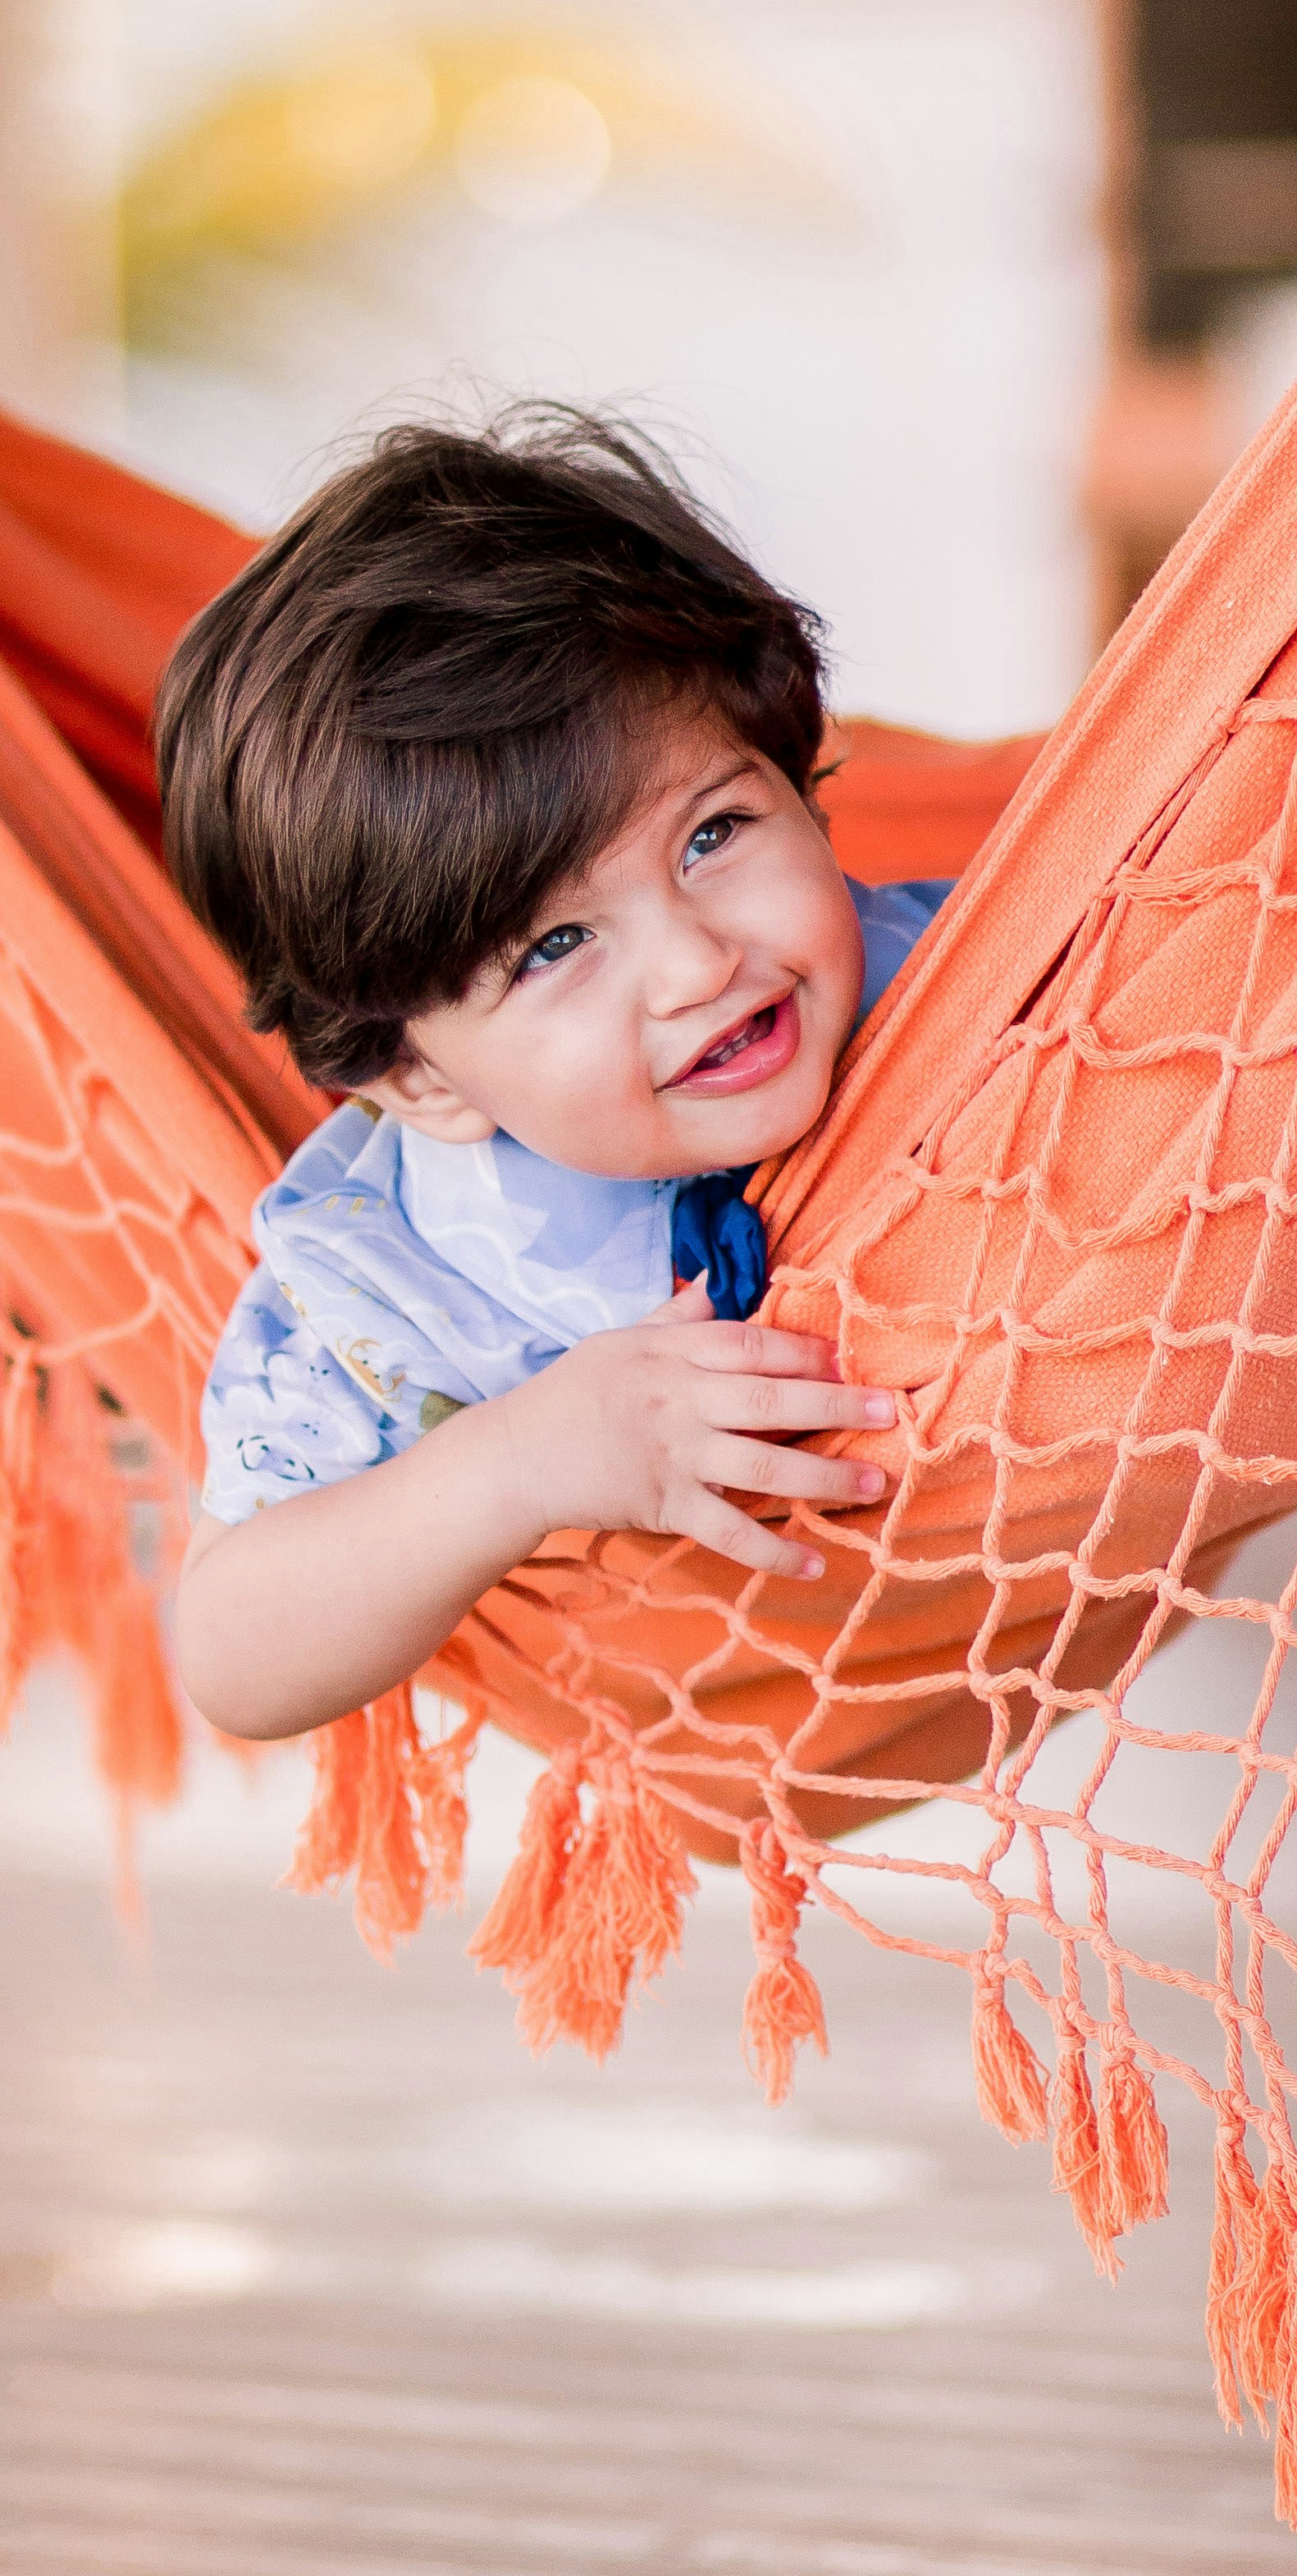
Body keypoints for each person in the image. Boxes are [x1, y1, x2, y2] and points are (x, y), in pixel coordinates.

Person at [158, 412, 939, 1742]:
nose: (698, 964)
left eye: (715, 832)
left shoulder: (958, 979)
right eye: (558, 945)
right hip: (705, 1690)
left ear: (803, 791)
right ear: (419, 1080)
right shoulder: (403, 1276)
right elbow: (230, 1651)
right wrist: (516, 1465)